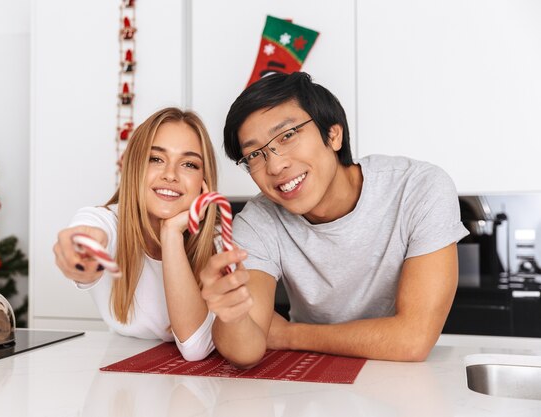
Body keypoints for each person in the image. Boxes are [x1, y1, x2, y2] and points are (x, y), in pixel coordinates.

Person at [199, 72, 469, 368]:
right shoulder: (257, 222)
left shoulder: (419, 188)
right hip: (311, 382)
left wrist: (289, 335)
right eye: (254, 155)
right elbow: (246, 352)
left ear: (333, 135)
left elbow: (413, 340)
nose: (275, 165)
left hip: (404, 381)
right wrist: (232, 316)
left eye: (287, 136)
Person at [53, 107, 219, 361]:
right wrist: (80, 251)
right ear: (134, 167)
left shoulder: (220, 241)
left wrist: (172, 233)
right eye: (156, 159)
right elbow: (89, 231)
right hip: (119, 378)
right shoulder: (108, 221)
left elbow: (194, 347)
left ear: (203, 182)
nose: (170, 175)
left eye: (188, 164)